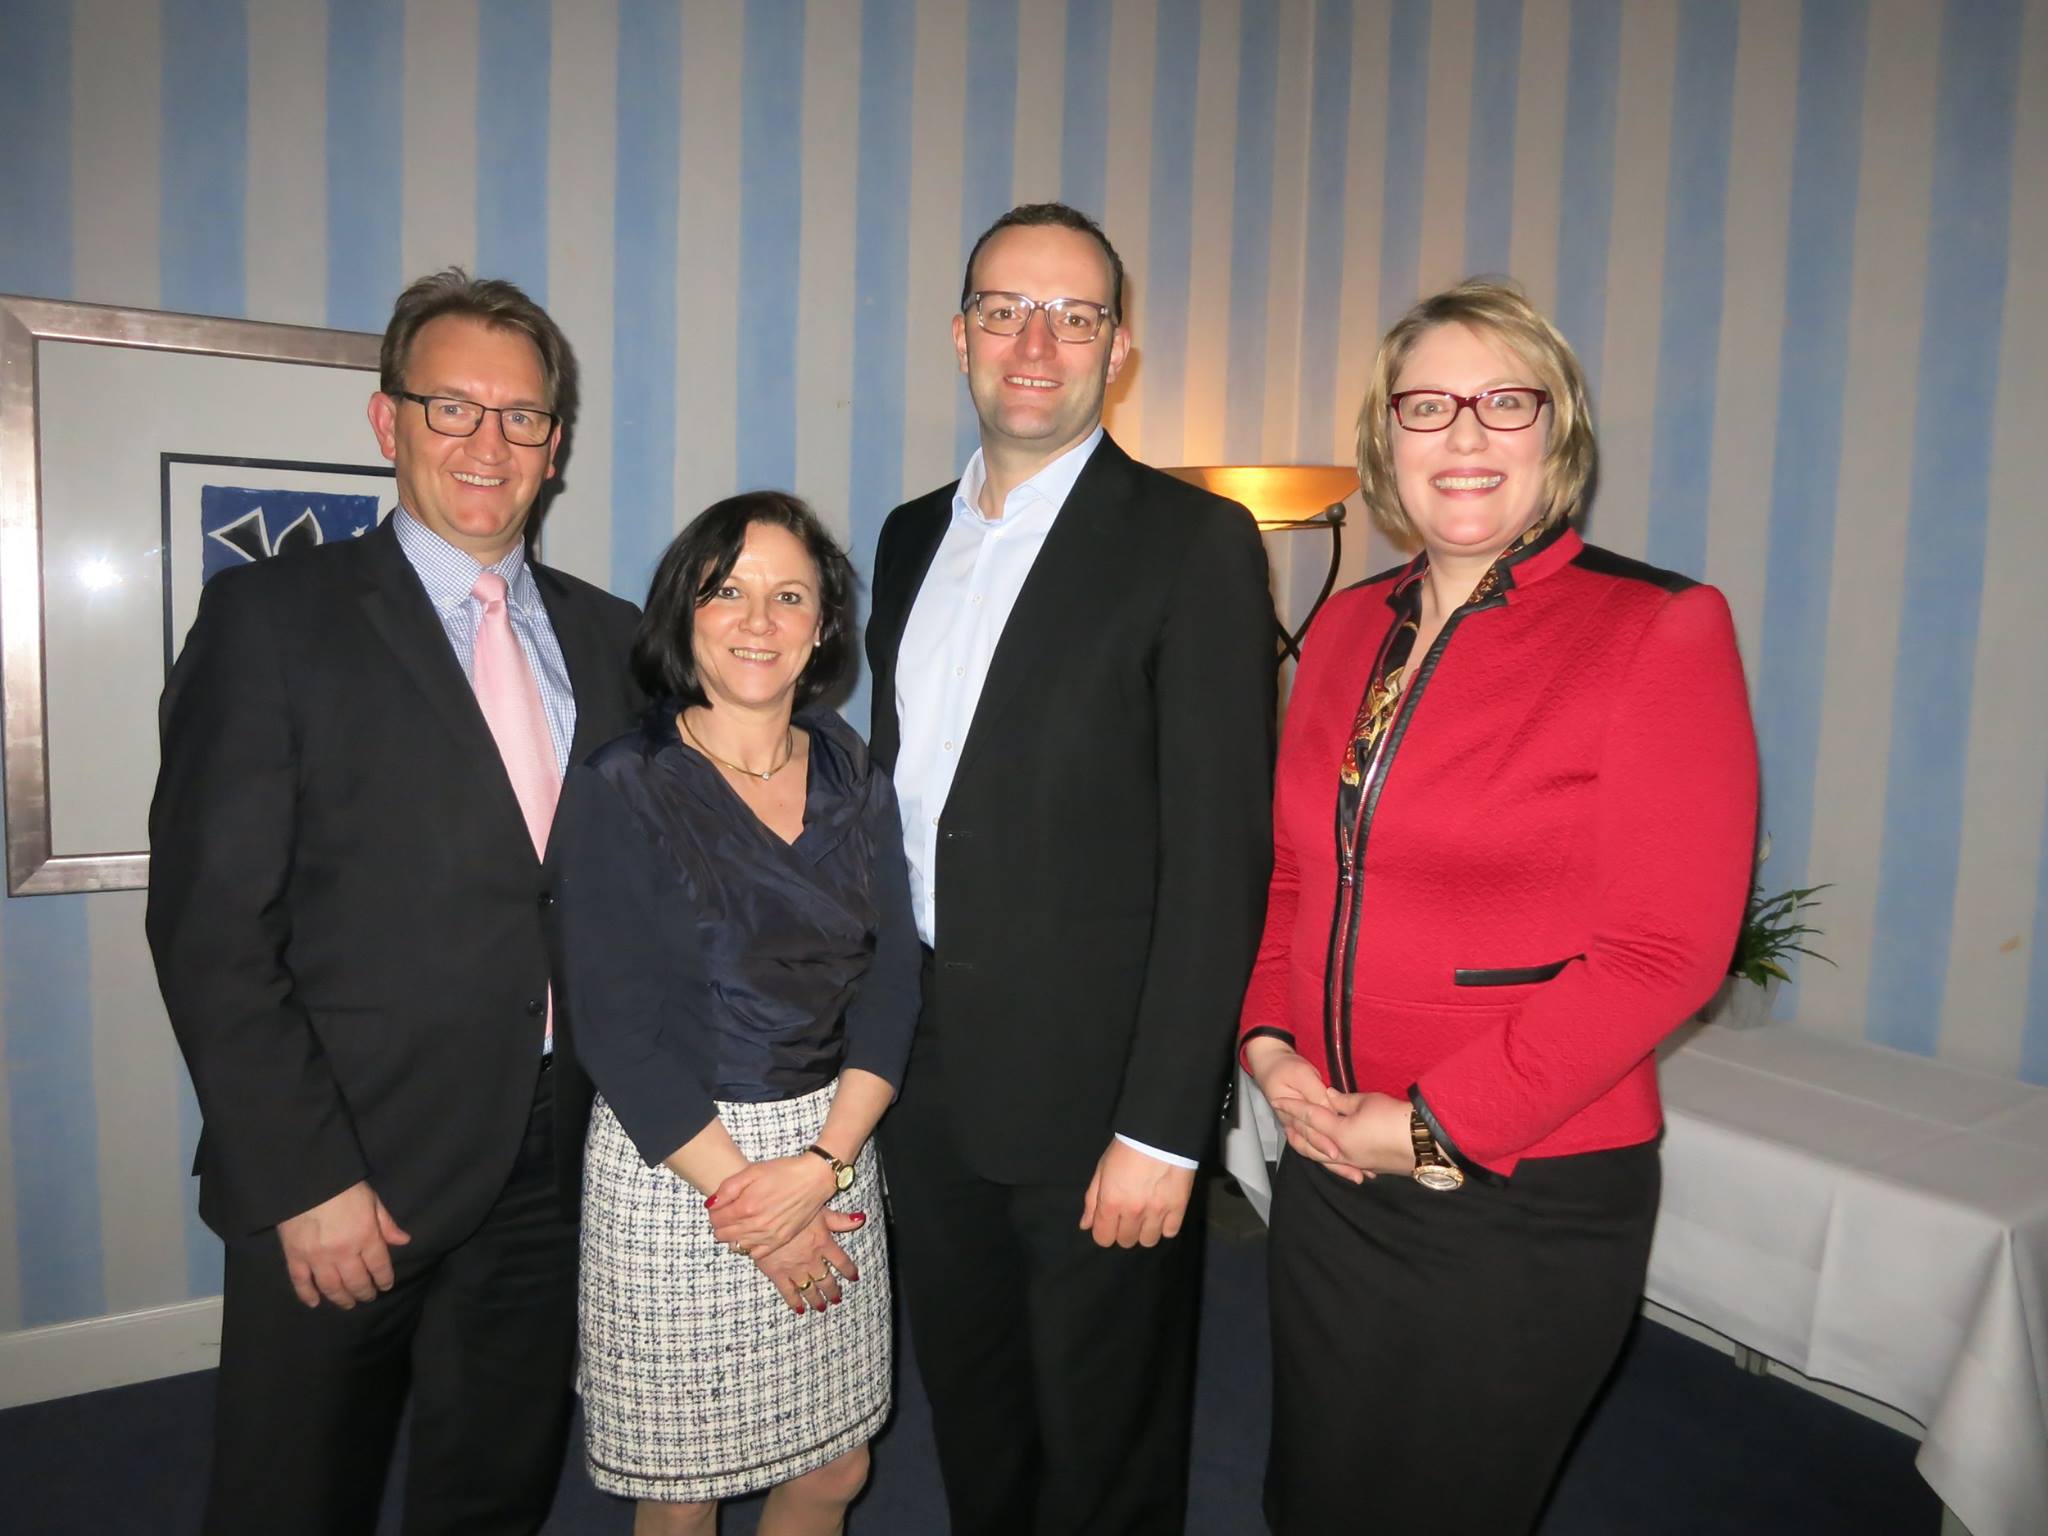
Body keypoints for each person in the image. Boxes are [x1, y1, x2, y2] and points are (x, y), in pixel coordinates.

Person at [1239, 277, 1760, 1533]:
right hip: (1329, 1169)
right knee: (1313, 1500)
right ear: (1384, 443)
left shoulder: (1655, 628)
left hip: (1516, 1190)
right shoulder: (1349, 623)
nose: (1463, 436)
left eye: (1502, 402)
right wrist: (1264, 1042)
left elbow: (1663, 955)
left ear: (1556, 432)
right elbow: (1296, 871)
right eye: (1426, 407)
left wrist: (1424, 1129)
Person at [146, 269, 643, 1535]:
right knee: (293, 1492)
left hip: (549, 1154)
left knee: (494, 1481)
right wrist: (300, 1176)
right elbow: (210, 928)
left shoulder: (613, 640)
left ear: (557, 445)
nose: (488, 442)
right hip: (349, 1160)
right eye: (451, 407)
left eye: (521, 416)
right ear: (388, 423)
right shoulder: (273, 619)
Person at [864, 201, 1275, 1535]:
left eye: (1073, 315)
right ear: (959, 335)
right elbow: (897, 798)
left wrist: (1166, 1126)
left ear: (1119, 349)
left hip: (1100, 1099)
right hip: (919, 1074)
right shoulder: (906, 536)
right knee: (975, 1416)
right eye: (1004, 309)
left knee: (1108, 1447)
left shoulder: (1193, 543)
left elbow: (1221, 863)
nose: (1034, 341)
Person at [549, 492, 918, 1535]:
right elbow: (614, 1028)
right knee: (682, 1495)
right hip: (679, 1163)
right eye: (727, 592)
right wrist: (753, 1212)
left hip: (831, 1143)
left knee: (834, 1464)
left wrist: (822, 1166)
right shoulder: (623, 783)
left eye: (787, 595)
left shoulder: (852, 769)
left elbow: (892, 983)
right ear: (685, 613)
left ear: (821, 627)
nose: (757, 620)